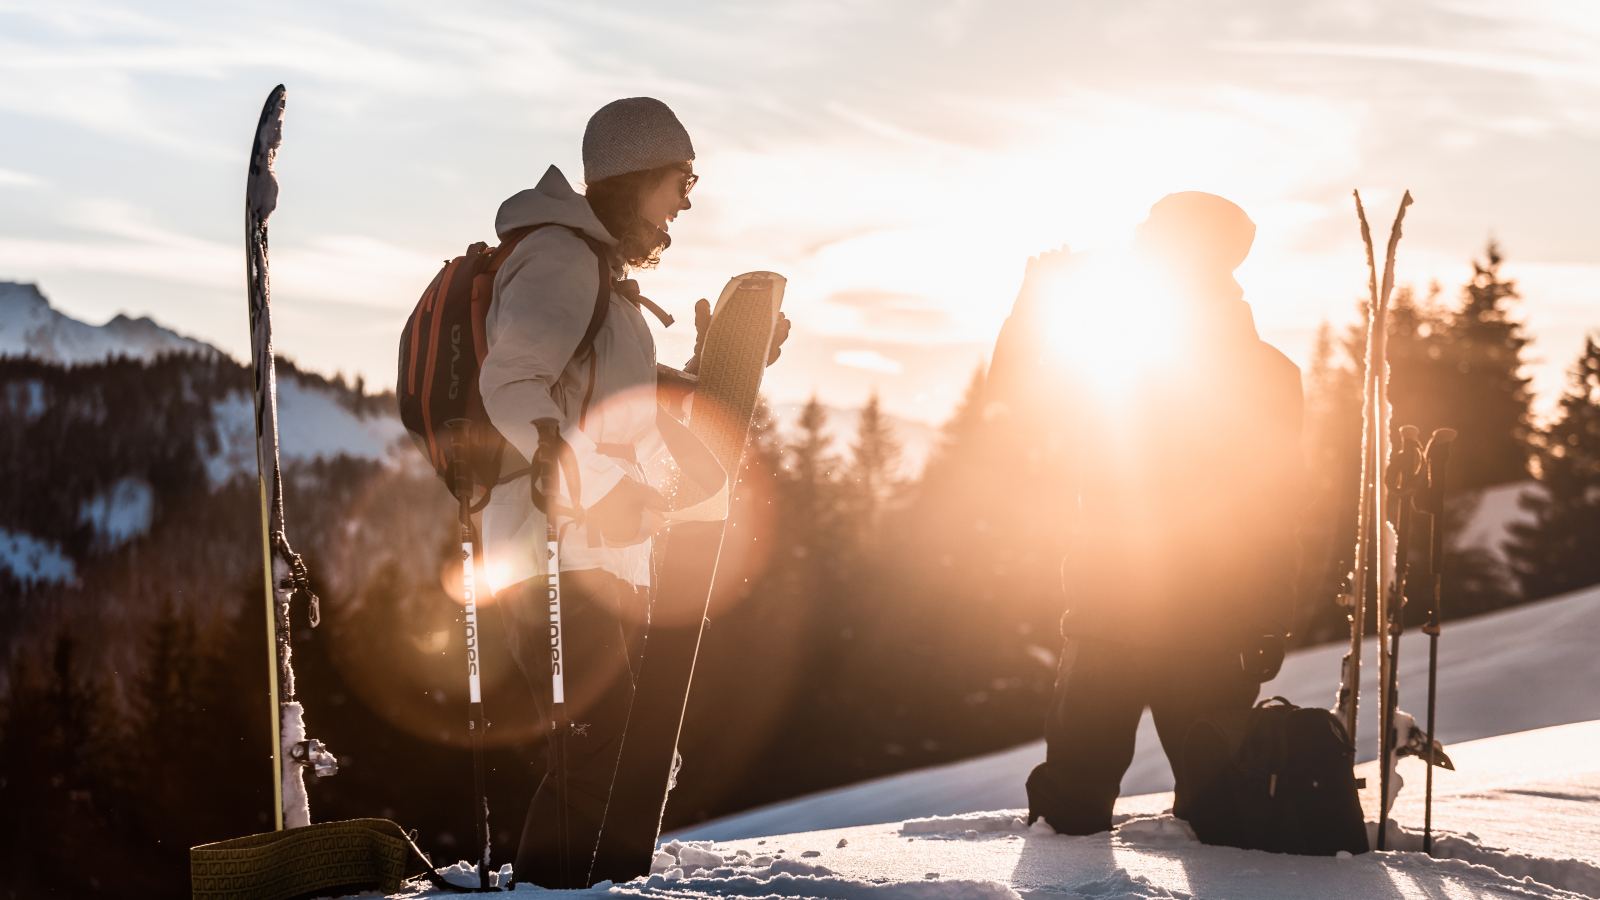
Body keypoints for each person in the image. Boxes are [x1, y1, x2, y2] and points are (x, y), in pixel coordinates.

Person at [478, 97, 788, 887]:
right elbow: (512, 383)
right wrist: (588, 488)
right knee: (597, 757)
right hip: (549, 552)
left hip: (591, 554)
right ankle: (551, 894)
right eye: (681, 178)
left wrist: (715, 364)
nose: (687, 199)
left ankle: (571, 890)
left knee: (609, 762)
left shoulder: (598, 279)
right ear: (635, 174)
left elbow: (614, 404)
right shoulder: (559, 258)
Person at [986, 192, 1305, 835]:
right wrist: (1270, 619)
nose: (1134, 238)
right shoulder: (1260, 371)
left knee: (1100, 818)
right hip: (1177, 626)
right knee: (1214, 823)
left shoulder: (1120, 359)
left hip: (1155, 625)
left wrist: (1038, 300)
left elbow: (1012, 398)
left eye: (1150, 231)